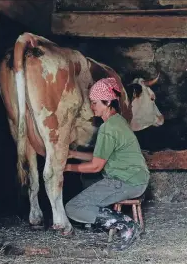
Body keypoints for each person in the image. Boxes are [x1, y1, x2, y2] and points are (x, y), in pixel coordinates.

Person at [64, 77, 150, 251]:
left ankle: (126, 225)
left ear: (108, 102)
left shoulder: (108, 128)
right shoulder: (117, 121)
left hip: (127, 181)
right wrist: (72, 154)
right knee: (89, 187)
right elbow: (101, 156)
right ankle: (109, 221)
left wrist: (66, 168)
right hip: (135, 178)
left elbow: (96, 166)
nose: (92, 106)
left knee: (73, 207)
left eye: (94, 102)